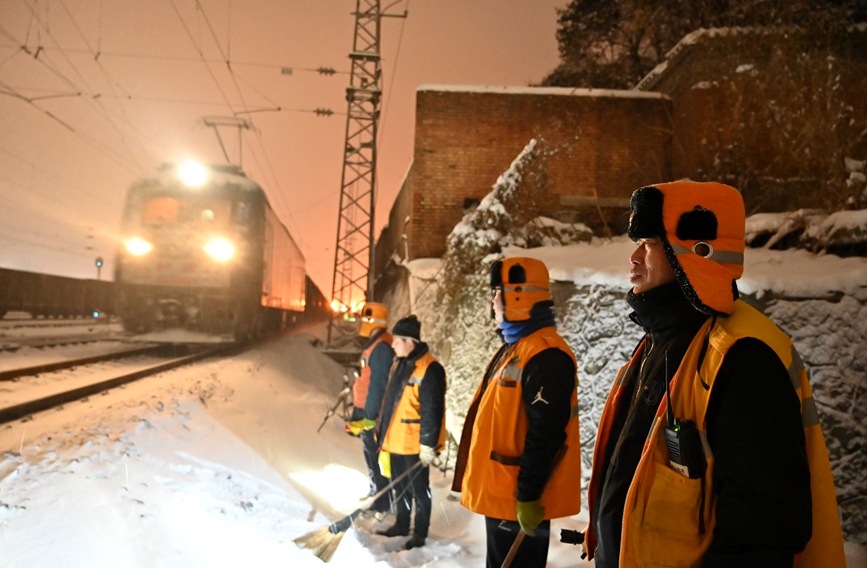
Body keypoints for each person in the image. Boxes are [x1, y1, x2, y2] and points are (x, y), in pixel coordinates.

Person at [584, 181, 846, 567]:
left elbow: (764, 530)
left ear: (695, 251)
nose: (634, 259)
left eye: (651, 244)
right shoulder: (666, 337)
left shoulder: (744, 357)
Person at [452, 257, 582, 568]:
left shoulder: (546, 355)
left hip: (518, 498)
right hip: (503, 493)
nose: (493, 302)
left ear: (520, 296)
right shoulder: (517, 348)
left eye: (498, 293)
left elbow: (547, 433)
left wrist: (528, 495)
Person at [375, 314, 447, 550]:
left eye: (397, 339)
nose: (392, 343)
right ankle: (402, 524)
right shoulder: (399, 364)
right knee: (399, 487)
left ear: (410, 341)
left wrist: (428, 444)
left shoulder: (430, 369)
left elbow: (432, 410)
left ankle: (419, 534)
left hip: (414, 445)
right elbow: (390, 403)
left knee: (419, 492)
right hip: (395, 441)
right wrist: (380, 432)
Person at [345, 302, 394, 515]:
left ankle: (381, 500)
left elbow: (378, 384)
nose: (361, 323)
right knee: (370, 453)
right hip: (365, 405)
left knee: (374, 454)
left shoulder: (381, 347)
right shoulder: (376, 344)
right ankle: (376, 492)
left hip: (370, 409)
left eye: (364, 318)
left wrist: (371, 417)